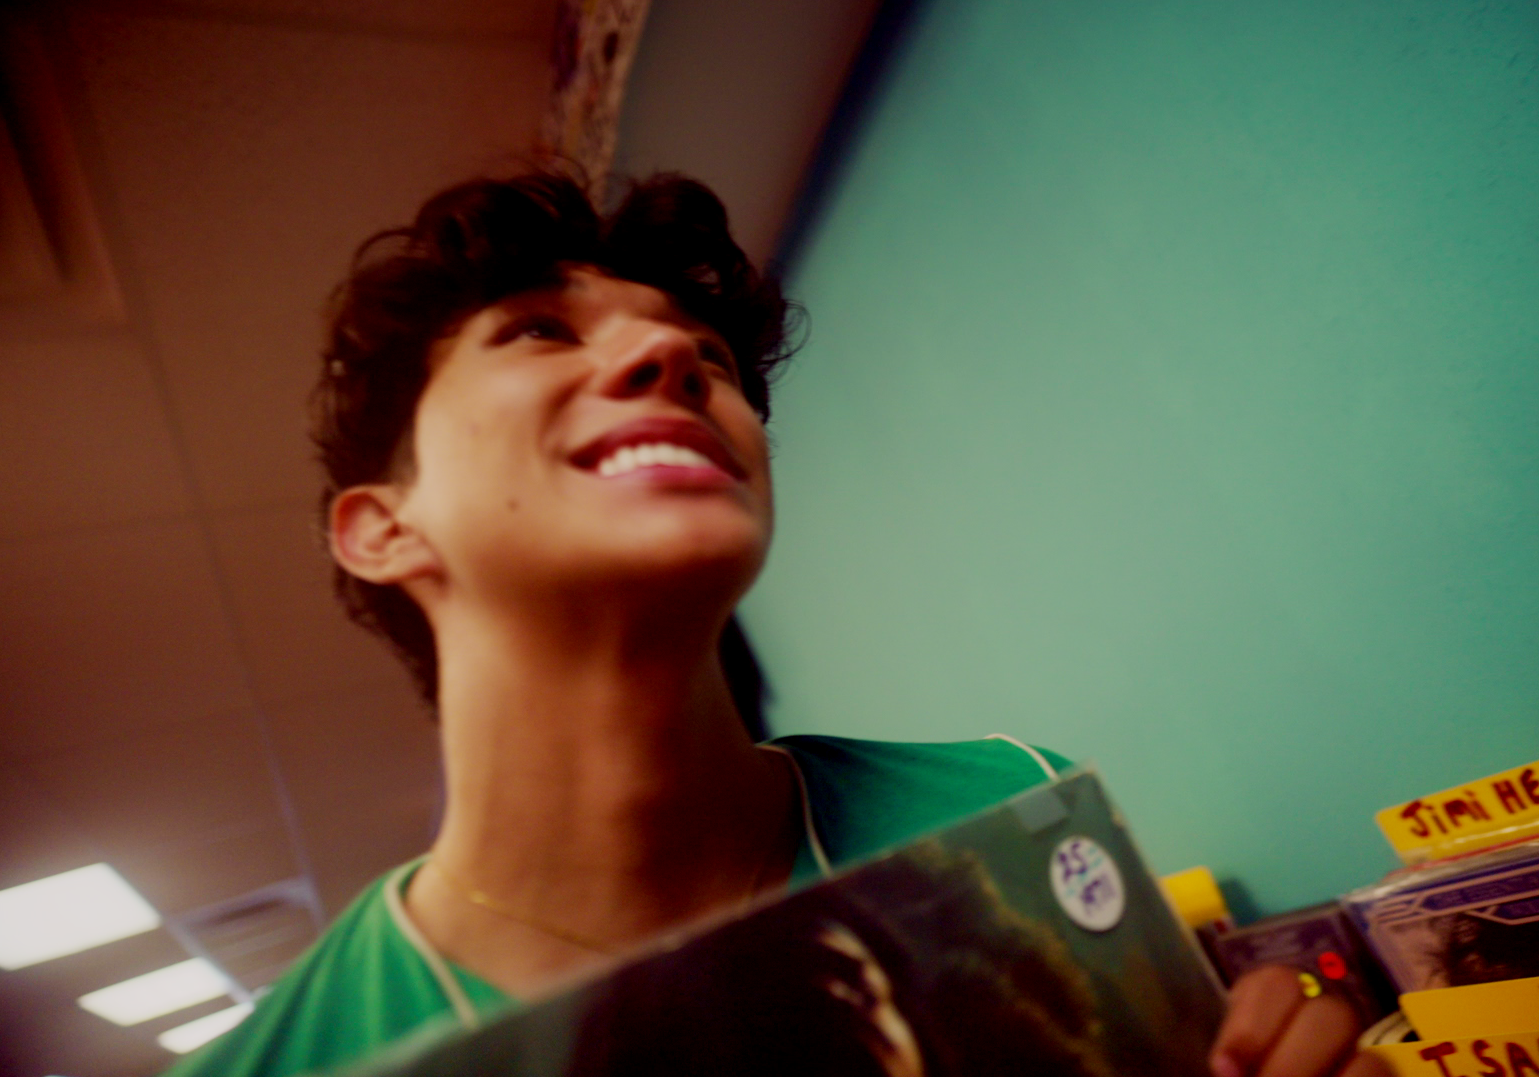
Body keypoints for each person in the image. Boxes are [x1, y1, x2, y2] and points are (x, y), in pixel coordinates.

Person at [163, 169, 1387, 1077]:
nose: (668, 355)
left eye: (707, 354)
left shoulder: (1012, 815)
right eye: (538, 329)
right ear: (382, 528)